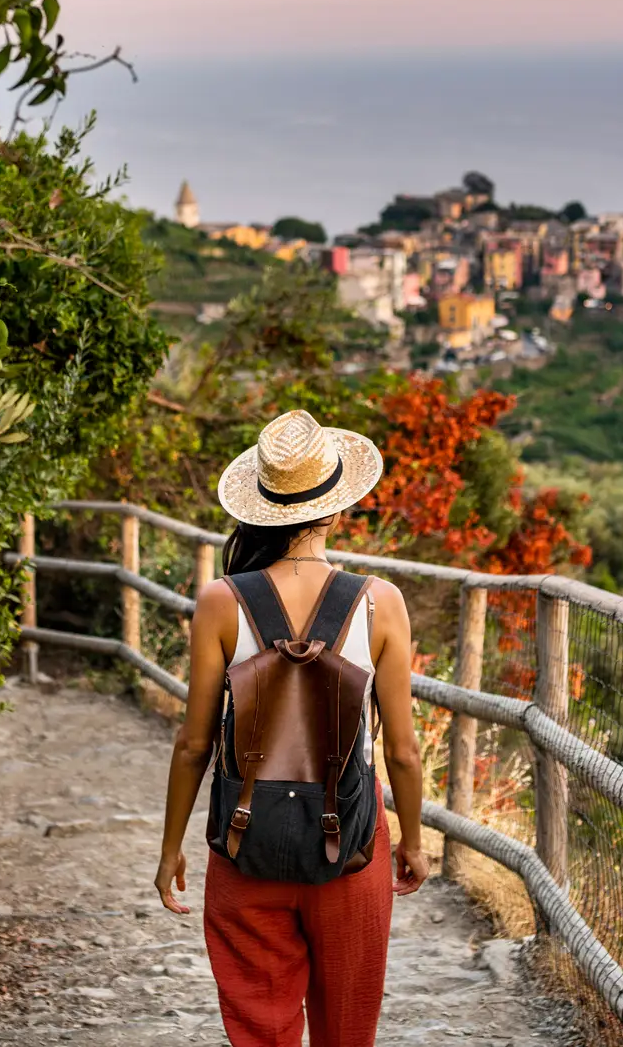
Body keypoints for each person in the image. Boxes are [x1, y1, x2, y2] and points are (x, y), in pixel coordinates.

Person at [152, 409, 432, 1047]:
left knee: (261, 1028)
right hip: (352, 849)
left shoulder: (223, 600)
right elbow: (405, 752)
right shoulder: (379, 602)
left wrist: (172, 848)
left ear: (262, 508)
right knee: (346, 1031)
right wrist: (412, 843)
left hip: (245, 843)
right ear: (335, 512)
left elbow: (195, 742)